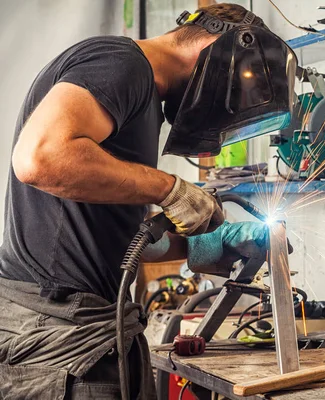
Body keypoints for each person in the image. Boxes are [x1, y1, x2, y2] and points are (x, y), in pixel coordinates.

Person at [0, 3, 296, 399]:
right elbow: (39, 158)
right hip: (61, 338)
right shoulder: (121, 64)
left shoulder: (141, 100)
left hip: (87, 331)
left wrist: (201, 245)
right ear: (223, 51)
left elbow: (111, 242)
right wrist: (169, 189)